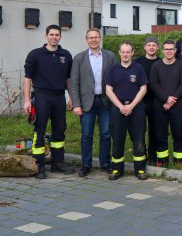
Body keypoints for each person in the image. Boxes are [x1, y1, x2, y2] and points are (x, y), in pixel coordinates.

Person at [23, 24, 74, 179]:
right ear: (46, 36)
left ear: (60, 36)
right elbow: (27, 79)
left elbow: (68, 79)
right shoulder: (35, 55)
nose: (54, 37)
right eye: (51, 34)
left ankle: (57, 163)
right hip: (41, 96)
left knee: (59, 130)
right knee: (39, 130)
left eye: (57, 35)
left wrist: (71, 97)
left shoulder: (66, 55)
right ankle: (38, 166)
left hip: (59, 97)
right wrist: (27, 100)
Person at [71, 28, 117, 177]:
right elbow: (75, 83)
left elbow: (116, 79)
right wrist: (76, 104)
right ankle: (86, 164)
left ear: (100, 38)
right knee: (86, 134)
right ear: (87, 40)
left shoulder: (110, 56)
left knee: (106, 134)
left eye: (96, 37)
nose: (94, 40)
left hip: (105, 101)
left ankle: (105, 163)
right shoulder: (79, 58)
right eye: (90, 38)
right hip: (86, 103)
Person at [105, 42, 148, 181]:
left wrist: (131, 106)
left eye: (128, 52)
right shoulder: (113, 69)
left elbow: (143, 89)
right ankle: (117, 169)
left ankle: (140, 169)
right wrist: (120, 106)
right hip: (118, 109)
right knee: (117, 138)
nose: (125, 54)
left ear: (132, 53)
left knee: (139, 138)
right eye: (123, 52)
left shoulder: (139, 68)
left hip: (136, 108)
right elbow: (108, 90)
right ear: (119, 52)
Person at [150, 40, 182, 167]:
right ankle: (162, 161)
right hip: (160, 106)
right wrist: (166, 98)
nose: (169, 51)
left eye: (171, 49)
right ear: (162, 51)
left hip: (177, 106)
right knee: (160, 135)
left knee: (178, 134)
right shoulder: (156, 66)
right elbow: (154, 84)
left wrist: (172, 100)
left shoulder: (181, 65)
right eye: (166, 49)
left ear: (175, 50)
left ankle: (179, 163)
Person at [134, 36, 160, 166]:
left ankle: (153, 156)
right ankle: (141, 154)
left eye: (154, 45)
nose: (151, 47)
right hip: (141, 101)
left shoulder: (161, 62)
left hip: (156, 101)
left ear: (157, 48)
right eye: (149, 45)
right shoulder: (137, 62)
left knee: (154, 130)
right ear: (145, 47)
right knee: (140, 129)